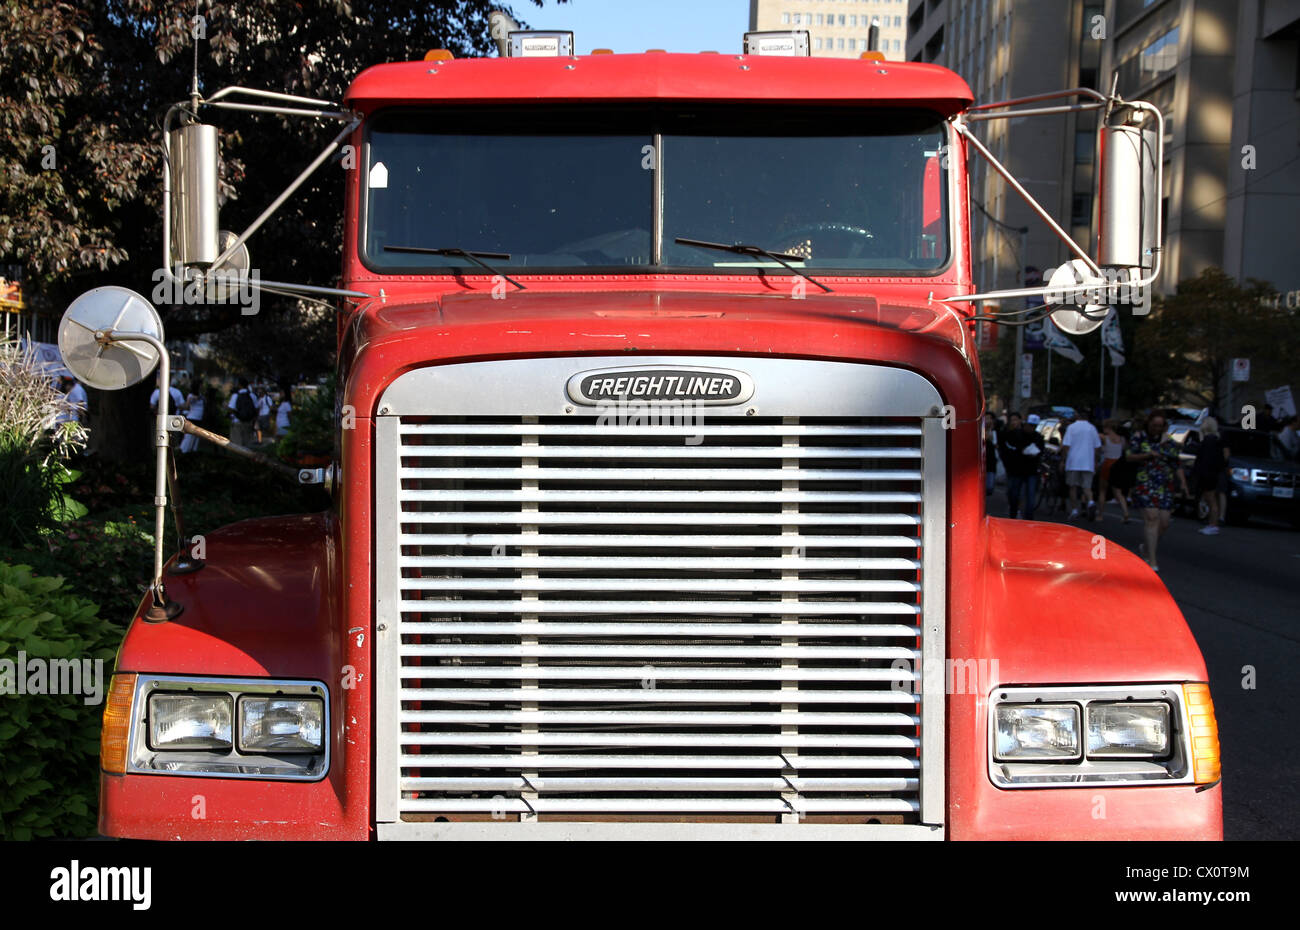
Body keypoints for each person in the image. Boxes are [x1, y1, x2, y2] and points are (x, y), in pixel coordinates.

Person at [1128, 411, 1189, 572]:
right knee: (1151, 518)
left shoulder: (1169, 442)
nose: (1156, 428)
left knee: (1164, 522)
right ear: (1148, 424)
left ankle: (1147, 547)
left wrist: (1183, 483)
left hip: (1164, 485)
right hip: (1145, 482)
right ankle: (1152, 560)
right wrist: (1148, 454)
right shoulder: (1139, 437)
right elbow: (1129, 456)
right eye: (1154, 425)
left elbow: (1176, 463)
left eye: (1160, 426)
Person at [998, 412, 1042, 519]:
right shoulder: (1016, 434)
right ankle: (1014, 513)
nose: (1031, 428)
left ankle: (1029, 517)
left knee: (1030, 496)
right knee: (1014, 494)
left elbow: (1041, 451)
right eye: (1030, 425)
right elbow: (1008, 448)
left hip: (1031, 470)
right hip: (1017, 470)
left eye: (1033, 426)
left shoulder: (1038, 437)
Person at [1061, 410, 1102, 520]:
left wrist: (1064, 459)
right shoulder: (1092, 428)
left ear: (1077, 416)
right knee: (1087, 486)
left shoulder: (1071, 428)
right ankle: (1091, 502)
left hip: (1073, 461)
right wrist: (1096, 461)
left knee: (1072, 487)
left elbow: (1066, 445)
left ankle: (1074, 510)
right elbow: (1097, 447)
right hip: (1088, 462)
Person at [1191, 417, 1228, 535]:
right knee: (1211, 499)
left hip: (1207, 474)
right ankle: (1213, 524)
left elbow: (1204, 460)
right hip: (1213, 474)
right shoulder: (1216, 441)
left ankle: (1213, 524)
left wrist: (1199, 472)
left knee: (1211, 500)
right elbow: (1221, 460)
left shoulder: (1208, 441)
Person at [1097, 419, 1130, 523]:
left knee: (1102, 490)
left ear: (1107, 428)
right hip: (1118, 464)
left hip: (1108, 463)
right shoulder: (1122, 439)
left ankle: (1100, 514)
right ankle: (1125, 513)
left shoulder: (1103, 437)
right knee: (1118, 491)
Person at [228, 377, 257, 448]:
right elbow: (256, 409)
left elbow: (231, 409)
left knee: (236, 444)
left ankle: (238, 458)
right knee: (247, 443)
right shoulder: (252, 395)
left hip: (237, 422)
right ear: (247, 385)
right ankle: (246, 457)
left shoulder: (235, 395)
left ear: (239, 385)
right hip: (248, 422)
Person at [179, 383, 206, 454]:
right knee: (188, 436)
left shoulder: (201, 396)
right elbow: (187, 406)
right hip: (192, 417)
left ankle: (193, 451)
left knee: (197, 436)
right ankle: (183, 450)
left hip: (199, 418)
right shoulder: (191, 395)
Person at [983, 412, 999, 495]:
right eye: (986, 418)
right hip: (981, 462)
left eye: (990, 418)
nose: (988, 421)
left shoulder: (996, 432)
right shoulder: (980, 431)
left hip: (992, 462)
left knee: (989, 487)